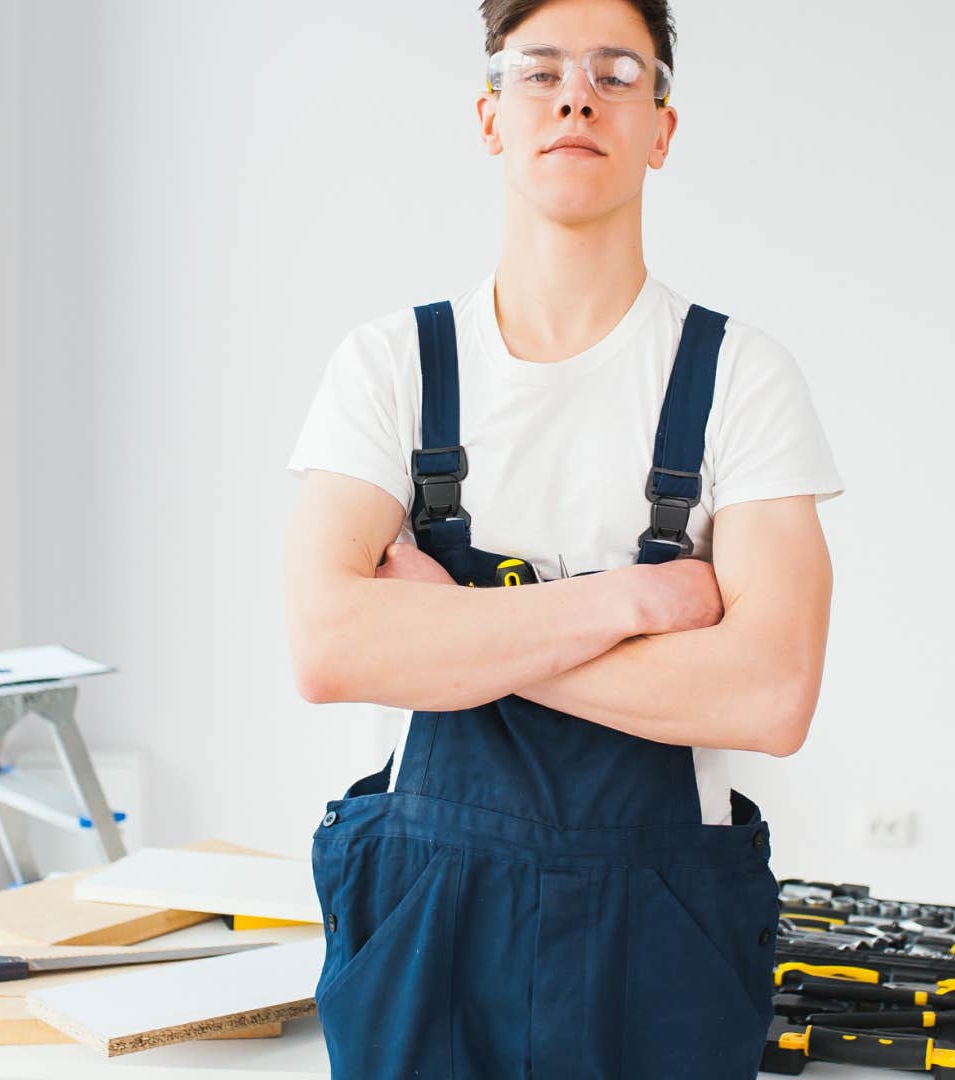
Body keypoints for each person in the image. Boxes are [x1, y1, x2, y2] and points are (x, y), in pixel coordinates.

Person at [282, 0, 842, 1075]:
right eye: (539, 71)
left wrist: (455, 631)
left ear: (661, 129)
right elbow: (330, 648)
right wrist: (627, 604)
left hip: (663, 940)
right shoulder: (389, 369)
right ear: (491, 116)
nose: (576, 97)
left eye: (616, 73)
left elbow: (772, 694)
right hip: (426, 933)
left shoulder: (743, 380)